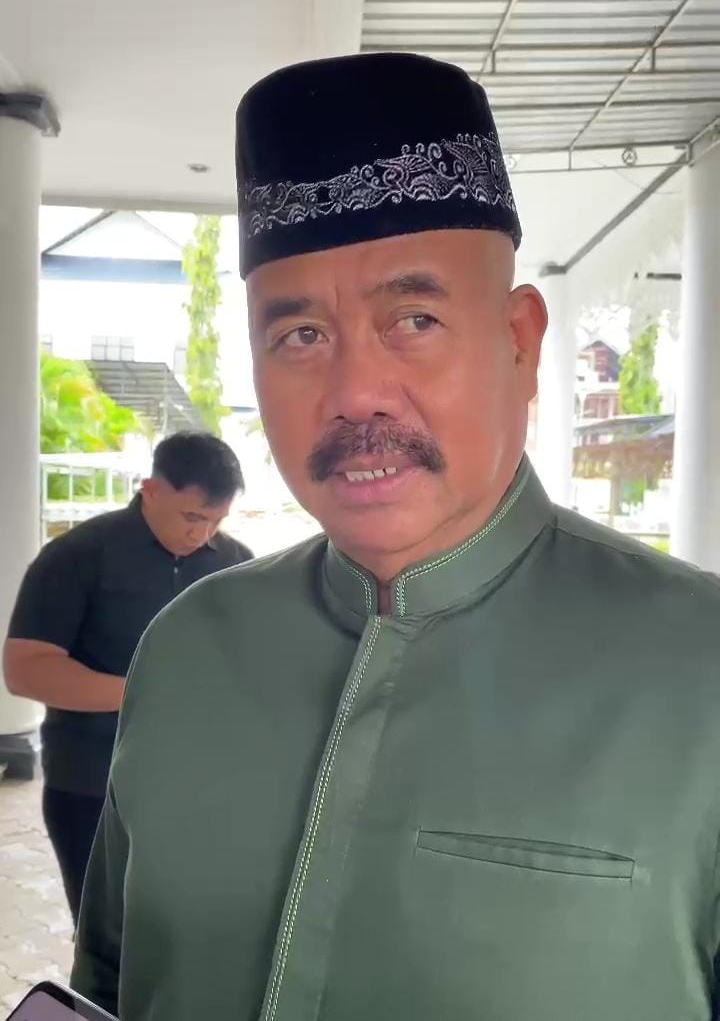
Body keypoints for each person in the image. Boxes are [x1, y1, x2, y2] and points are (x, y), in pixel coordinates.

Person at [71, 54, 720, 1021]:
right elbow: (110, 981)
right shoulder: (188, 650)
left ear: (520, 342)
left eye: (414, 319)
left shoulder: (700, 669)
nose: (355, 395)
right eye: (300, 336)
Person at [3, 431, 252, 924]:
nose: (201, 534)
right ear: (150, 490)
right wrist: (147, 694)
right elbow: (25, 670)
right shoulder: (76, 556)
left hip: (199, 786)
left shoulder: (236, 565)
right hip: (93, 784)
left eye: (216, 521)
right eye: (191, 517)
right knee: (106, 937)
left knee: (188, 932)